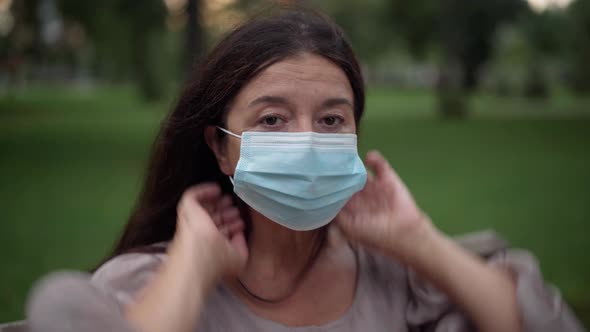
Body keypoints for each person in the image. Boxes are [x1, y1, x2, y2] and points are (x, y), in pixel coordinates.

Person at [26, 8, 584, 332]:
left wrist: (418, 240)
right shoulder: (148, 290)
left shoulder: (396, 280)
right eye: (272, 119)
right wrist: (192, 268)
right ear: (221, 149)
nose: (307, 141)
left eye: (331, 119)